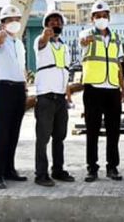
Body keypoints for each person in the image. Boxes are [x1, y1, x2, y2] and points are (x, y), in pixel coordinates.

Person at [77, 0, 124, 182]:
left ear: (109, 17)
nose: (101, 19)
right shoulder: (86, 34)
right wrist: (84, 41)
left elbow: (118, 64)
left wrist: (121, 87)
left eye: (104, 16)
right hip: (93, 88)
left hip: (112, 88)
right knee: (92, 129)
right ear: (92, 19)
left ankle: (112, 167)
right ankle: (92, 167)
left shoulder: (115, 38)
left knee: (114, 130)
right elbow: (82, 42)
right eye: (98, 16)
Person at [33, 10, 75, 186]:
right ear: (46, 25)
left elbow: (64, 71)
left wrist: (67, 94)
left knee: (60, 136)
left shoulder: (64, 47)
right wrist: (45, 35)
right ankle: (40, 174)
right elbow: (42, 41)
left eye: (58, 21)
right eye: (51, 22)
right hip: (46, 97)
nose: (55, 24)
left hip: (60, 98)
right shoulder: (41, 42)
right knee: (43, 137)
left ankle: (58, 169)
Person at [0, 4, 29, 189]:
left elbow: (21, 67)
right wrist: (0, 36)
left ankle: (9, 169)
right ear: (2, 23)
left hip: (18, 89)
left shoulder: (19, 44)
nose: (14, 23)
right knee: (1, 133)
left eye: (16, 20)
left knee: (14, 132)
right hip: (4, 88)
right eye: (9, 20)